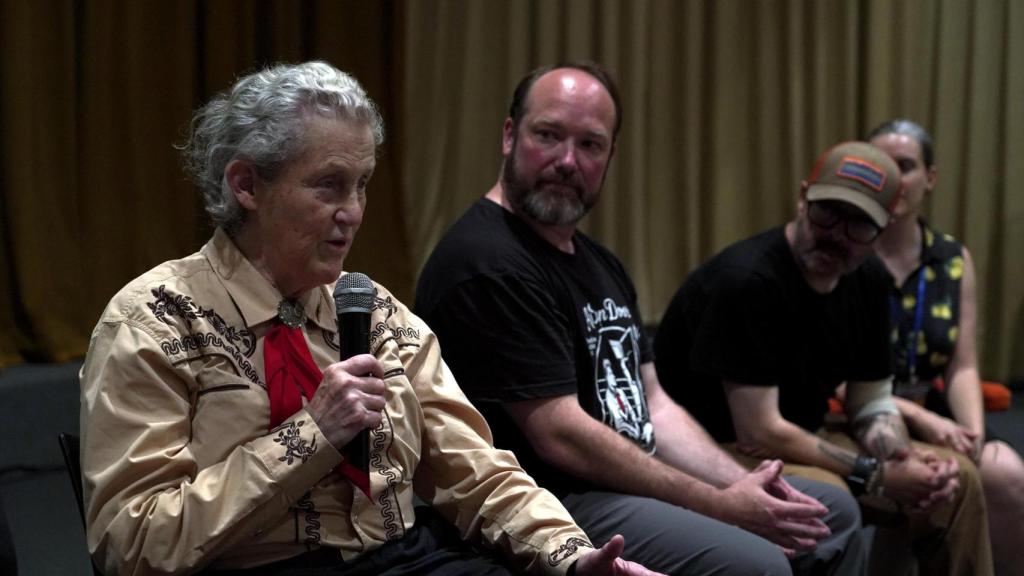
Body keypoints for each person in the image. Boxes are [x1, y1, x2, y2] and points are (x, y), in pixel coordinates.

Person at [79, 61, 662, 576]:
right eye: (328, 185)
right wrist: (311, 436)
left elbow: (477, 473)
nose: (352, 212)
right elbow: (131, 543)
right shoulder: (156, 319)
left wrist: (570, 556)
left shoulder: (373, 310)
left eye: (361, 186)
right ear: (247, 185)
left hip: (405, 555)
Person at [415, 61, 866, 576]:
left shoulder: (598, 262)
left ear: (609, 157)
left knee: (834, 513)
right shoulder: (485, 261)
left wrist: (737, 483)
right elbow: (561, 436)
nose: (567, 160)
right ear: (510, 135)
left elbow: (654, 403)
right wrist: (717, 504)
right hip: (551, 499)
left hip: (621, 480)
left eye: (590, 145)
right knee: (758, 564)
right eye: (548, 135)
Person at [653, 140, 994, 575]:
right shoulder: (748, 281)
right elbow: (759, 430)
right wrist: (882, 476)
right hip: (717, 448)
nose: (837, 235)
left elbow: (869, 401)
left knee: (955, 479)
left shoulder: (868, 279)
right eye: (827, 212)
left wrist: (903, 458)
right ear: (802, 197)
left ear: (884, 228)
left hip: (800, 435)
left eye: (859, 226)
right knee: (827, 494)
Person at [867, 118, 1024, 575]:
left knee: (1007, 474)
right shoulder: (847, 251)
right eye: (882, 166)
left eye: (907, 166)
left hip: (932, 401)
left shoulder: (952, 258)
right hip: (861, 406)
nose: (894, 178)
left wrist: (972, 433)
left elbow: (962, 365)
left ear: (930, 179)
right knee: (926, 482)